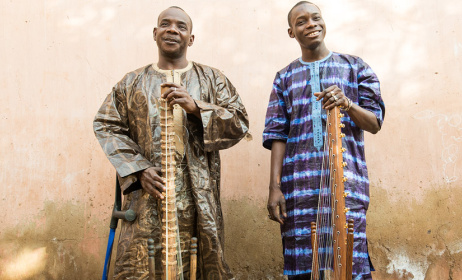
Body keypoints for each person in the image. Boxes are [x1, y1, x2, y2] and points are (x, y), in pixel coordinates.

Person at [94, 6, 249, 280]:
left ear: (191, 38)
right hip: (148, 193)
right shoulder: (131, 83)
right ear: (155, 33)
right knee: (141, 264)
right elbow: (106, 124)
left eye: (181, 26)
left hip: (198, 194)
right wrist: (139, 169)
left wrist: (197, 108)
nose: (172, 30)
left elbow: (239, 122)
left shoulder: (213, 80)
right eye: (165, 24)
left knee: (200, 262)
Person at [263, 1, 385, 279]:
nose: (311, 24)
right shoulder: (284, 78)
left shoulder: (355, 68)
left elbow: (375, 123)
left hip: (346, 185)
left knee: (348, 261)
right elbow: (276, 135)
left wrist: (347, 103)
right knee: (303, 263)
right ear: (291, 32)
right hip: (298, 188)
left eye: (316, 18)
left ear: (324, 22)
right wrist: (274, 188)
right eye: (302, 21)